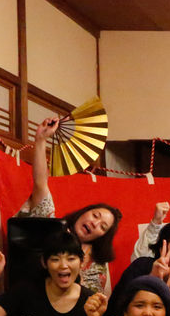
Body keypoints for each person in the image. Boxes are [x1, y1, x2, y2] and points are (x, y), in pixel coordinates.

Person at [18, 118, 120, 295]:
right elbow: (40, 184)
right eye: (95, 215)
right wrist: (41, 140)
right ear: (84, 212)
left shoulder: (97, 264)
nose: (95, 223)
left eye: (103, 227)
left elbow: (93, 300)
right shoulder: (50, 228)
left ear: (102, 236)